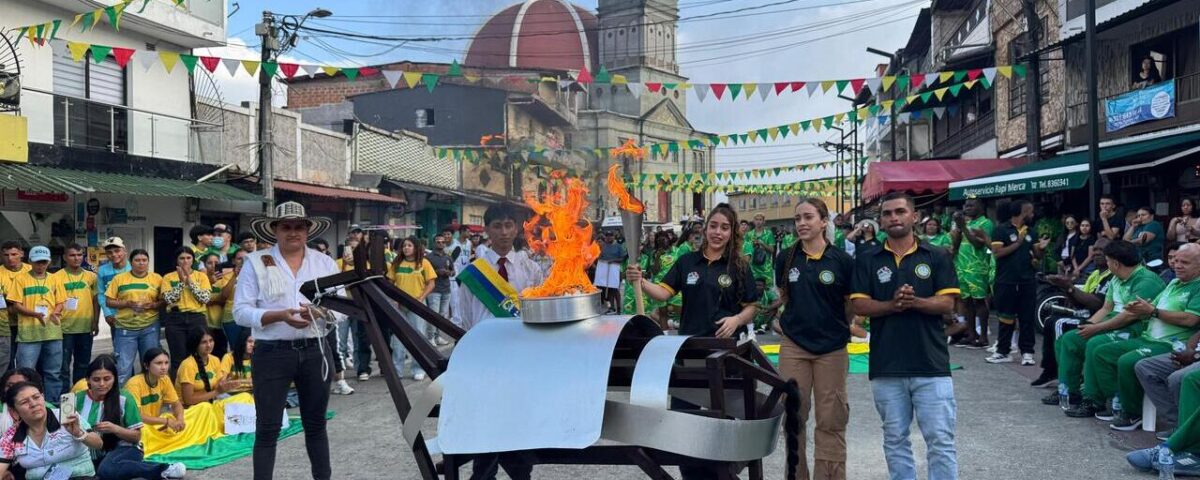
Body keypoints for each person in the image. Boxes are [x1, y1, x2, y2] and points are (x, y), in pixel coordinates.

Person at [628, 203, 759, 480]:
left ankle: (720, 473)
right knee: (684, 421)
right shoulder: (687, 261)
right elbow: (663, 293)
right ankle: (691, 474)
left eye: (725, 228)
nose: (718, 232)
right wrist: (640, 280)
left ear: (732, 232)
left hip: (724, 357)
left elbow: (752, 306)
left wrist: (736, 320)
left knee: (719, 422)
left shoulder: (739, 265)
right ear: (705, 228)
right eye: (714, 226)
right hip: (688, 352)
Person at [850, 192, 960, 480]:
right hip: (887, 366)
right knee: (895, 439)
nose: (893, 217)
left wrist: (915, 303)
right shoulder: (868, 258)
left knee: (941, 441)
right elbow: (859, 305)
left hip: (932, 365)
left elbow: (948, 304)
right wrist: (892, 305)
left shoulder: (936, 256)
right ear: (880, 221)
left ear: (914, 217)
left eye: (900, 211)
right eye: (887, 213)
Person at [233, 201, 339, 480]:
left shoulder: (324, 262)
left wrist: (320, 312)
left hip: (315, 349)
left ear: (308, 230)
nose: (293, 232)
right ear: (274, 230)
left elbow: (343, 308)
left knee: (316, 424)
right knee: (267, 428)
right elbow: (241, 312)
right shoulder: (256, 262)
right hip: (272, 352)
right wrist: (279, 315)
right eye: (286, 227)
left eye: (299, 227)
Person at [1077, 243, 1200, 431]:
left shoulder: (1197, 286)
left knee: (1128, 361)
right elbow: (1150, 307)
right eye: (1176, 261)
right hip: (1147, 337)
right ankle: (1115, 399)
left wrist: (1152, 311)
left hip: (1172, 343)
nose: (1177, 265)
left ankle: (1132, 412)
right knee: (1102, 351)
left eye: (1185, 262)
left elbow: (1191, 320)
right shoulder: (1174, 283)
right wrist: (1140, 308)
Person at [774, 198, 854, 479]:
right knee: (793, 417)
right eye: (797, 219)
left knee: (831, 418)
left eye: (808, 217)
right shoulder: (785, 258)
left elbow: (849, 306)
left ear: (824, 222)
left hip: (831, 348)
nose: (802, 224)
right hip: (794, 345)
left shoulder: (842, 260)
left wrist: (833, 326)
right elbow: (784, 297)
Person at [1058, 240, 1166, 418]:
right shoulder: (1117, 278)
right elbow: (1106, 308)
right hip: (1113, 321)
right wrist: (1090, 325)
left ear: (1115, 263)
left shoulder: (1146, 281)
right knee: (1071, 338)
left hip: (1134, 327)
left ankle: (1096, 399)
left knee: (1095, 343)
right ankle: (1070, 392)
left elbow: (1130, 316)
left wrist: (1096, 329)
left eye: (1108, 260)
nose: (1106, 264)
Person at [75, 355, 186, 479]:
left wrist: (115, 429)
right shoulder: (77, 398)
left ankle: (163, 469)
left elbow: (136, 437)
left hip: (125, 448)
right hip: (88, 451)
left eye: (107, 379)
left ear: (115, 379)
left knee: (106, 470)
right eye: (96, 379)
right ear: (88, 380)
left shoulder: (124, 398)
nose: (102, 384)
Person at [1036, 239, 1114, 392]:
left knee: (1059, 323)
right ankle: (1052, 371)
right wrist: (1065, 288)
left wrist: (1069, 287)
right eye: (1095, 249)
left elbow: (1097, 304)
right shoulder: (1095, 274)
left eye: (1101, 250)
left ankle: (1067, 380)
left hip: (1100, 318)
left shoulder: (1111, 276)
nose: (1097, 253)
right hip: (1088, 313)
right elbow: (1079, 302)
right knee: (1050, 320)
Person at [455, 204, 545, 331]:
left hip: (522, 341)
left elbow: (539, 311)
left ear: (516, 229)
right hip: (485, 342)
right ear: (486, 230)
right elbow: (466, 316)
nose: (504, 232)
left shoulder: (531, 269)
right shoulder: (473, 273)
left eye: (508, 226)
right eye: (497, 226)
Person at [986, 200, 1050, 365]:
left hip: (1027, 280)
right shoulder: (1001, 229)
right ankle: (1003, 351)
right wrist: (1018, 243)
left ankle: (1027, 352)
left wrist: (1041, 249)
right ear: (1021, 212)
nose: (1032, 214)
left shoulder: (1031, 231)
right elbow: (997, 253)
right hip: (1006, 280)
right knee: (1005, 317)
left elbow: (1037, 256)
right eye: (1030, 211)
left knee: (1026, 318)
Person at [0, 381, 103, 480]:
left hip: (80, 477)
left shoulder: (67, 417)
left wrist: (79, 433)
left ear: (43, 397)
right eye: (24, 402)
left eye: (36, 397)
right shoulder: (11, 435)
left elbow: (98, 444)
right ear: (14, 411)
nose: (33, 404)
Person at [8, 245, 66, 399]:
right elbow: (16, 305)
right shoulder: (20, 279)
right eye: (37, 262)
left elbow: (61, 301)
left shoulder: (55, 279)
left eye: (44, 262)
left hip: (52, 333)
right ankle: (25, 402)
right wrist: (35, 314)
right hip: (29, 336)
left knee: (53, 373)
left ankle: (52, 405)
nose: (41, 265)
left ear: (49, 262)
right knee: (26, 374)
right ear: (30, 261)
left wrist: (55, 312)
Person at [103, 249, 163, 385]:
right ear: (131, 262)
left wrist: (152, 305)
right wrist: (127, 303)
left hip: (150, 328)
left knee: (151, 365)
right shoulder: (120, 279)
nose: (141, 263)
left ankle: (150, 396)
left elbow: (164, 301)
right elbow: (109, 301)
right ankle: (122, 400)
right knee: (123, 368)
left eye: (144, 260)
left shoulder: (157, 278)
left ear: (148, 262)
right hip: (125, 329)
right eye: (137, 260)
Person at [1135, 321, 1200, 440]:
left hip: (1197, 357)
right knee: (1145, 367)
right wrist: (1188, 351)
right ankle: (1175, 423)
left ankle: (1190, 433)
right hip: (1193, 354)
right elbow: (1197, 335)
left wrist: (1195, 357)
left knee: (1178, 378)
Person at [387, 236, 438, 381]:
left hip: (417, 306)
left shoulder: (424, 263)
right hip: (399, 306)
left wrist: (421, 298)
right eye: (404, 246)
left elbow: (431, 284)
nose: (406, 248)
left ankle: (418, 369)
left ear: (416, 248)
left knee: (418, 338)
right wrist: (393, 299)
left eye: (409, 245)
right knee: (398, 340)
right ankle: (397, 370)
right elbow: (390, 283)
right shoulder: (396, 263)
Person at [53, 244, 99, 396]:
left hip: (85, 328)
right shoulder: (56, 277)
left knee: (83, 365)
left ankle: (80, 394)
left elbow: (95, 301)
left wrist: (95, 322)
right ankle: (65, 396)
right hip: (63, 328)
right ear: (65, 257)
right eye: (72, 255)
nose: (76, 258)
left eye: (79, 255)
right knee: (63, 366)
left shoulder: (91, 276)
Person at [160, 247, 212, 376]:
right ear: (177, 261)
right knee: (178, 358)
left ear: (193, 260)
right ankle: (178, 392)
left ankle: (201, 386)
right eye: (181, 258)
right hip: (175, 318)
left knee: (199, 355)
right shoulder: (168, 277)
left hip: (197, 318)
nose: (185, 261)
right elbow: (169, 298)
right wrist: (181, 282)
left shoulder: (201, 276)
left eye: (188, 258)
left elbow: (204, 298)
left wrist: (189, 279)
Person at [951, 198, 993, 350]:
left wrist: (963, 227)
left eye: (971, 205)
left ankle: (983, 336)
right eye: (966, 205)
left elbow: (978, 244)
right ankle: (971, 334)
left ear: (981, 206)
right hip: (962, 266)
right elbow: (956, 245)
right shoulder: (967, 223)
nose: (967, 208)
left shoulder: (985, 223)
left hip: (977, 267)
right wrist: (958, 230)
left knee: (979, 301)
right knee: (966, 301)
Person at [123, 348, 185, 433]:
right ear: (146, 365)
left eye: (166, 363)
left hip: (156, 424)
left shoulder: (165, 379)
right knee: (144, 431)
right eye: (159, 363)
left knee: (203, 408)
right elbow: (136, 416)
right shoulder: (134, 384)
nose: (164, 367)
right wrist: (166, 421)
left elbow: (176, 404)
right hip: (139, 426)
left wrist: (180, 420)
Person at [0, 240, 31, 372]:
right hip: (5, 326)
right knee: (6, 361)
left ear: (21, 254)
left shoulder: (31, 270)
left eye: (13, 254)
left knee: (28, 361)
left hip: (29, 323)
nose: (10, 258)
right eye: (6, 255)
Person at [96, 237, 131, 350]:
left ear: (124, 251)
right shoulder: (102, 270)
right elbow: (101, 294)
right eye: (109, 252)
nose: (114, 255)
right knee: (120, 352)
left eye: (117, 251)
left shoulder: (134, 267)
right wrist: (107, 313)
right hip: (115, 318)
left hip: (135, 315)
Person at [425, 234, 454, 345]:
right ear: (434, 243)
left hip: (446, 289)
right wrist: (437, 272)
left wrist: (449, 272)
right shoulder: (429, 257)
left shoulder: (448, 257)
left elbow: (453, 271)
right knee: (434, 314)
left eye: (443, 242)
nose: (441, 243)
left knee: (442, 316)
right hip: (434, 290)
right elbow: (425, 273)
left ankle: (438, 337)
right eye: (438, 242)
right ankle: (430, 337)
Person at [202, 253, 231, 360]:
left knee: (221, 354)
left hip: (222, 324)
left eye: (216, 263)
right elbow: (202, 299)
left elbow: (225, 299)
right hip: (206, 323)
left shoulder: (226, 279)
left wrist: (212, 300)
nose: (213, 265)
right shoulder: (201, 279)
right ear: (204, 265)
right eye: (209, 263)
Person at [0, 368, 44, 436]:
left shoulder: (48, 409)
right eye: (10, 385)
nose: (14, 389)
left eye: (20, 385)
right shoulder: (1, 409)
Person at [594, 230, 627, 314]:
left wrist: (613, 260)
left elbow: (622, 258)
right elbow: (600, 257)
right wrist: (600, 260)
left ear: (613, 236)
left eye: (611, 236)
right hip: (605, 269)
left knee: (615, 289)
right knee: (609, 290)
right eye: (607, 236)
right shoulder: (604, 246)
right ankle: (612, 307)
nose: (609, 237)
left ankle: (619, 308)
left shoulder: (618, 246)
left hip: (616, 269)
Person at [745, 213, 776, 287]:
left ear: (763, 221)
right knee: (753, 289)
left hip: (766, 268)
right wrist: (752, 246)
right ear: (753, 221)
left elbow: (772, 250)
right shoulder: (749, 235)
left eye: (760, 219)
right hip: (753, 268)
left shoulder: (769, 234)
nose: (758, 222)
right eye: (756, 219)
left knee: (768, 290)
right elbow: (745, 251)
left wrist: (762, 243)